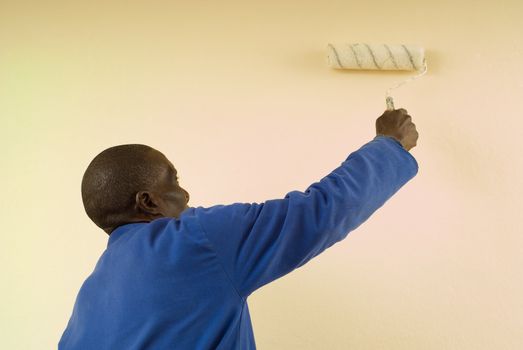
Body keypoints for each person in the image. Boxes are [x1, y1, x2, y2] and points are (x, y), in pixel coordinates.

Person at [59, 108, 419, 349]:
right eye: (174, 181)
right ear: (148, 202)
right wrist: (389, 145)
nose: (185, 194)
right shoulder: (194, 242)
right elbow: (321, 211)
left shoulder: (89, 300)